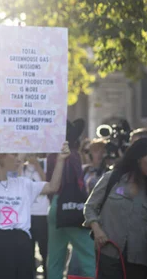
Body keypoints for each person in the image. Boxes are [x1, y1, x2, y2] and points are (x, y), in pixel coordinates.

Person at [0, 136, 70, 279]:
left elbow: (53, 186)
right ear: (0, 157)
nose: (18, 159)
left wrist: (60, 160)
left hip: (23, 245)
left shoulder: (24, 183)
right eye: (14, 154)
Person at [83, 137, 147, 279]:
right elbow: (90, 207)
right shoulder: (111, 178)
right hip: (108, 255)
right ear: (138, 158)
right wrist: (97, 230)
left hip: (139, 261)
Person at [47, 119, 96, 279]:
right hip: (73, 205)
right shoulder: (73, 155)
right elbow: (79, 184)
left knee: (55, 258)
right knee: (89, 255)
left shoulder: (52, 154)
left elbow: (50, 182)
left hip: (55, 205)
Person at [21, 154, 49, 277]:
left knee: (44, 249)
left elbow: (47, 183)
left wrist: (37, 165)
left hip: (42, 213)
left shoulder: (44, 163)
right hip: (27, 215)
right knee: (29, 250)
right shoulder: (21, 167)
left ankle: (47, 274)